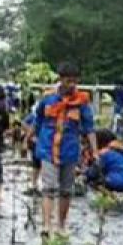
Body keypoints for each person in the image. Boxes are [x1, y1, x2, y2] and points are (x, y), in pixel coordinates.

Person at [32, 63, 96, 235]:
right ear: (60, 79)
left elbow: (89, 127)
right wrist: (32, 139)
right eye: (68, 81)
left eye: (75, 81)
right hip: (48, 148)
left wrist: (94, 151)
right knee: (48, 188)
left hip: (69, 150)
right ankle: (46, 225)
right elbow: (37, 121)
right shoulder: (47, 99)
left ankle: (61, 225)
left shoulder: (81, 102)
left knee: (66, 190)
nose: (72, 85)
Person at [86, 129, 123, 194]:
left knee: (94, 180)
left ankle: (109, 200)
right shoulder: (121, 150)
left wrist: (83, 172)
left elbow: (92, 173)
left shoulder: (104, 153)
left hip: (121, 182)